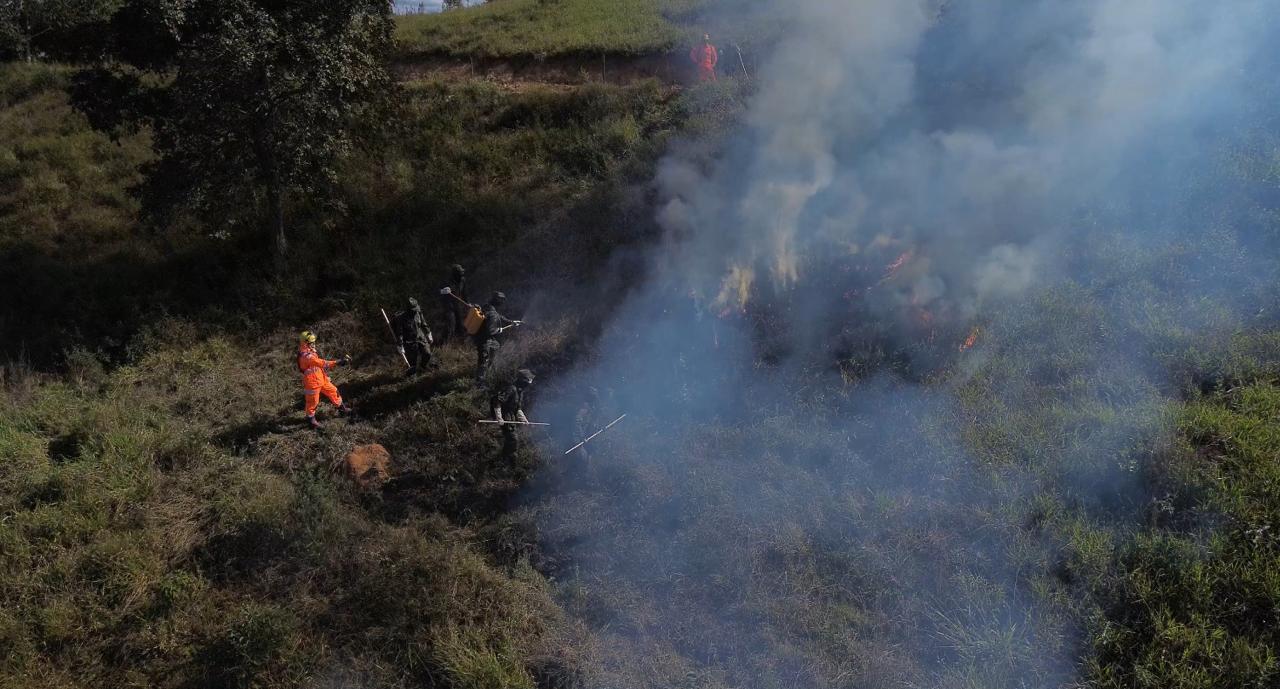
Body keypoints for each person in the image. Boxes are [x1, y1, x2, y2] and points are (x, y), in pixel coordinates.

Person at [297, 331, 351, 429]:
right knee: (313, 403)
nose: (314, 344)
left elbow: (318, 367)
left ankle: (343, 409)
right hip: (312, 383)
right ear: (305, 343)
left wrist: (325, 376)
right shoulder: (306, 356)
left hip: (321, 378)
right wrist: (338, 362)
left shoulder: (310, 350)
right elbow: (321, 363)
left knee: (334, 391)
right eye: (312, 342)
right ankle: (311, 421)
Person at [475, 291, 521, 384]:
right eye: (502, 301)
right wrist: (499, 330)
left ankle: (488, 371)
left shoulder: (488, 307)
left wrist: (511, 322)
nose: (502, 303)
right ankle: (480, 382)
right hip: (484, 339)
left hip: (485, 337)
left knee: (495, 347)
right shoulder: (492, 314)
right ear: (498, 301)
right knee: (484, 359)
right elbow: (490, 330)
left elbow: (499, 317)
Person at [490, 368, 535, 456]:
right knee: (512, 439)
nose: (529, 384)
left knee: (510, 439)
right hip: (505, 415)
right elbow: (497, 401)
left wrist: (523, 419)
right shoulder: (511, 389)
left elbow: (517, 408)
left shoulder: (520, 392)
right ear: (522, 380)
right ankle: (510, 460)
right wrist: (499, 417)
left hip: (511, 416)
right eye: (527, 381)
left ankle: (504, 459)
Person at [393, 297, 435, 375]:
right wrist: (400, 345)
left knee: (427, 353)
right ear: (409, 309)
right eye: (413, 309)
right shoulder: (401, 318)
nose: (415, 310)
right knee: (413, 362)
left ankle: (423, 366)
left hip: (420, 337)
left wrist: (429, 333)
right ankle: (412, 375)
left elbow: (423, 324)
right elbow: (400, 333)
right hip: (409, 341)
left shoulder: (418, 313)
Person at [439, 264, 468, 343]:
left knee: (461, 325)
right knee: (451, 325)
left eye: (462, 273)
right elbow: (437, 291)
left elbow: (464, 293)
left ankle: (460, 343)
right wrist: (442, 291)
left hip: (458, 305)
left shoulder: (463, 280)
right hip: (448, 306)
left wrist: (467, 304)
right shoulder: (447, 281)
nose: (461, 275)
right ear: (455, 274)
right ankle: (444, 344)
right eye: (459, 273)